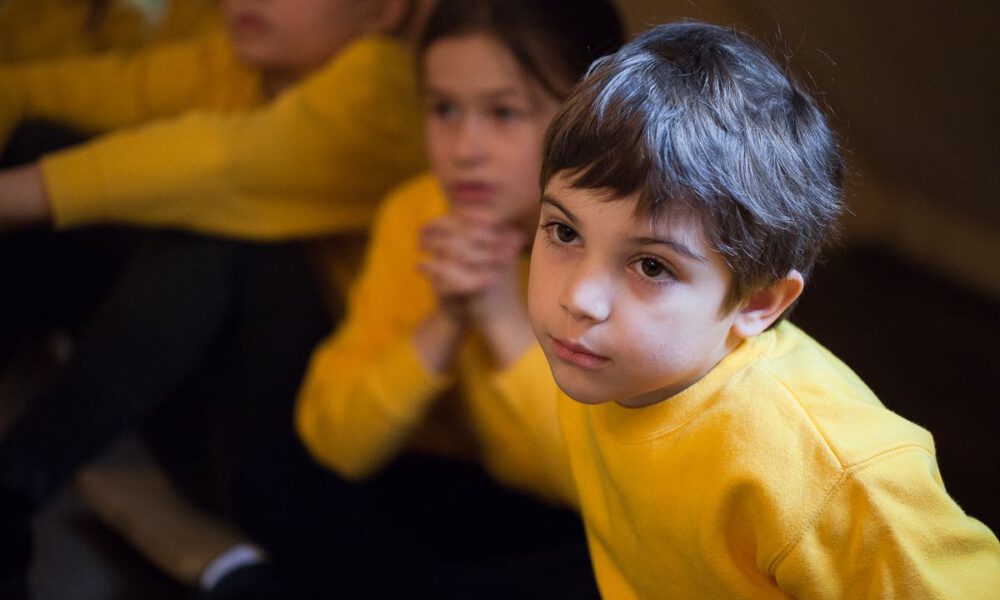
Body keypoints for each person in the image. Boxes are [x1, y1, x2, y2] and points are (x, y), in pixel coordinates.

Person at [523, 21, 1000, 598]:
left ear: (759, 302)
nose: (578, 297)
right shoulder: (601, 362)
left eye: (651, 266)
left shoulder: (835, 477)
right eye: (564, 231)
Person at [0, 1, 430, 597]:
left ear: (383, 11)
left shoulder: (388, 88)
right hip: (219, 417)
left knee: (222, 231)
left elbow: (223, 163)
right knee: (38, 139)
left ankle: (16, 479)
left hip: (333, 460)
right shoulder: (241, 62)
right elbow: (50, 89)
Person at [232, 0, 623, 597]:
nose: (465, 146)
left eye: (504, 112)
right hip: (453, 500)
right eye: (443, 109)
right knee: (283, 482)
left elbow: (609, 490)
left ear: (589, 118)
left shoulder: (624, 251)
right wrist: (447, 318)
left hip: (580, 522)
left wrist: (501, 317)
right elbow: (336, 444)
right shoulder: (421, 213)